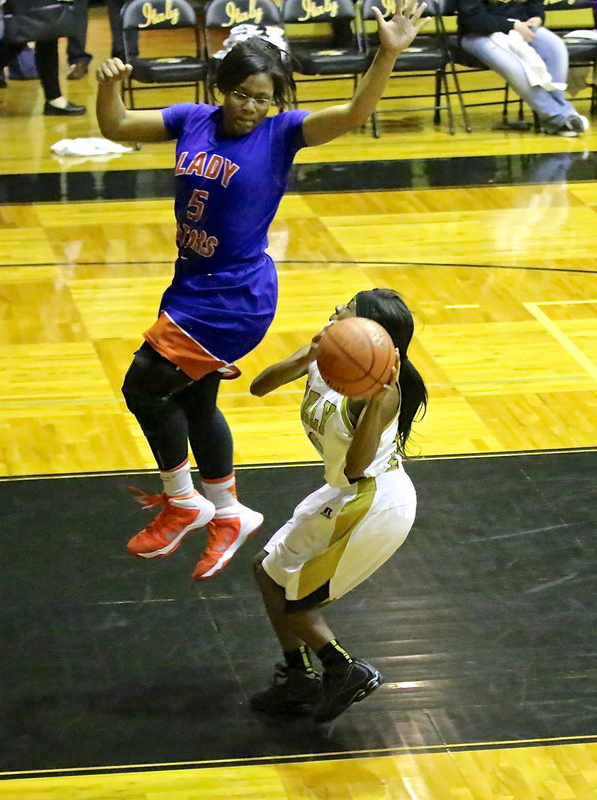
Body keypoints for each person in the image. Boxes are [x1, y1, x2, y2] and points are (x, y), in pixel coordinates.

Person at [95, 1, 429, 582]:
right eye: (242, 94)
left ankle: (183, 500)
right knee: (196, 401)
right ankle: (228, 512)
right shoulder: (190, 119)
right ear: (222, 89)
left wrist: (388, 53)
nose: (252, 107)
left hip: (234, 297)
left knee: (144, 388)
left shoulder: (282, 135)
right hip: (191, 283)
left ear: (276, 102)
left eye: (264, 98)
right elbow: (117, 127)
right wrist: (109, 87)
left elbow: (354, 112)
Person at [249, 289, 427, 723]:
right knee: (267, 571)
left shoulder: (379, 392)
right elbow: (258, 387)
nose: (334, 311)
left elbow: (354, 466)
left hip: (375, 499)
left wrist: (378, 404)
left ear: (366, 333)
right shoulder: (327, 352)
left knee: (295, 597)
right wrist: (300, 360)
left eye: (345, 310)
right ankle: (299, 677)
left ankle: (345, 669)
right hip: (345, 493)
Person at [457, 0, 589, 137]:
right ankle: (560, 117)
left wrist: (537, 17)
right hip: (479, 34)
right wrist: (512, 25)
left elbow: (535, 4)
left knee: (555, 48)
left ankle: (558, 116)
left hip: (522, 28)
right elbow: (474, 20)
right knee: (514, 67)